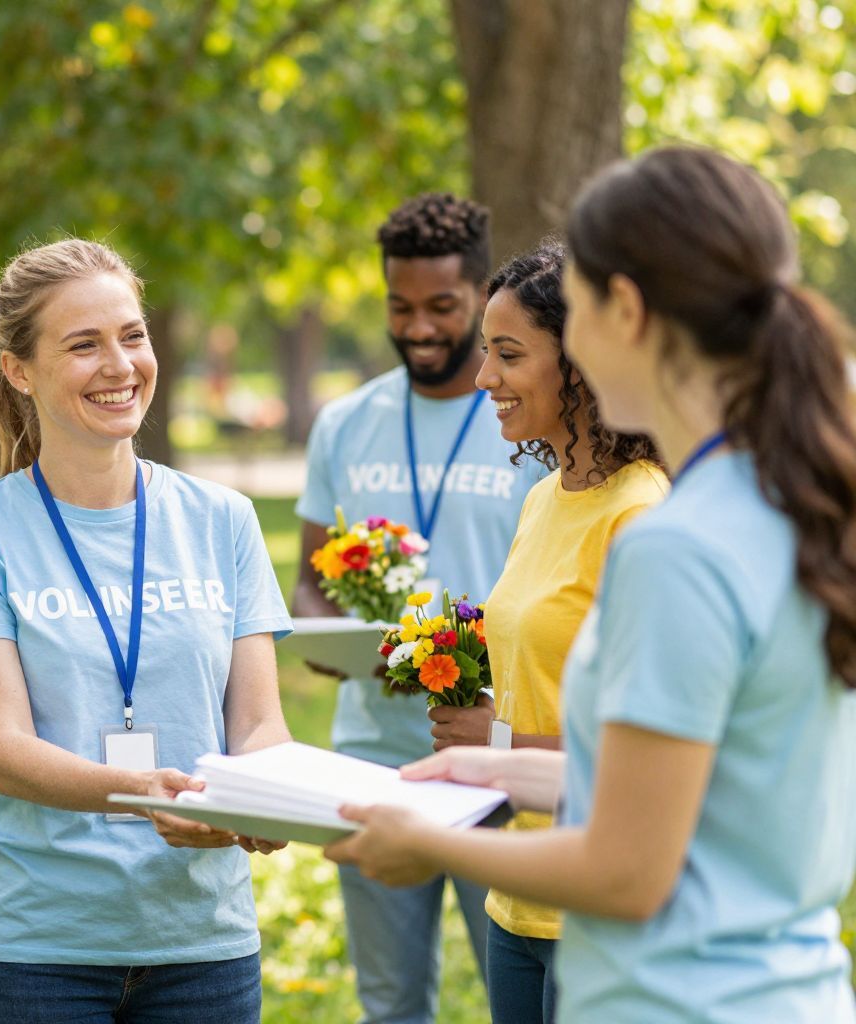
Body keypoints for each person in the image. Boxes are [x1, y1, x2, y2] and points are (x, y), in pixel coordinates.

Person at [327, 147, 856, 1023]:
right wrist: (489, 767)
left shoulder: (674, 544)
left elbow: (627, 870)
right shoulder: (786, 502)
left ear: (626, 312)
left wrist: (431, 845)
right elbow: (696, 789)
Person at [0, 238, 294, 1023]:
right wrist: (142, 789)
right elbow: (7, 752)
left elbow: (260, 723)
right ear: (19, 370)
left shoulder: (224, 519)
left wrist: (259, 800)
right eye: (83, 345)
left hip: (204, 946)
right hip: (33, 955)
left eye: (132, 336)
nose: (120, 365)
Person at [292, 193, 545, 1022]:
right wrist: (338, 639)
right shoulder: (345, 424)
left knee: (520, 983)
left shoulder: (526, 419)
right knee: (391, 1000)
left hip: (499, 749)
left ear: (479, 292)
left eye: (442, 306)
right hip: (375, 755)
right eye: (400, 307)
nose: (420, 327)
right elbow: (310, 582)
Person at [428, 241, 666, 1023]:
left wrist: (491, 747)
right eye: (485, 352)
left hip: (596, 910)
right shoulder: (542, 499)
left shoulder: (641, 514)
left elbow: (645, 753)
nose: (483, 378)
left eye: (508, 354)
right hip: (517, 900)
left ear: (581, 362)